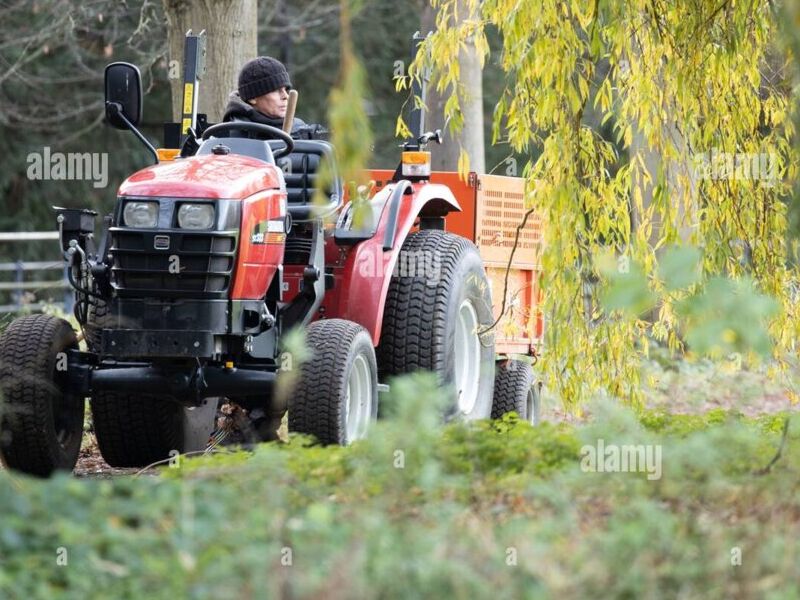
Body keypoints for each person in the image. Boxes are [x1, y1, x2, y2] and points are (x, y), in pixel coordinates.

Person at [222, 56, 307, 135]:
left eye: (286, 90)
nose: (286, 96)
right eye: (276, 90)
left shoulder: (300, 130)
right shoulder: (233, 134)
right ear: (252, 98)